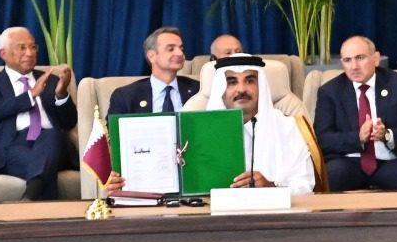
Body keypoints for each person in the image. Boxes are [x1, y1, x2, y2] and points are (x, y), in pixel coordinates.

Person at [127, 55, 315, 194]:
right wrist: (125, 183)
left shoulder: (288, 128)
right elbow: (165, 185)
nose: (241, 89)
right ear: (220, 90)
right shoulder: (193, 133)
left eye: (250, 80)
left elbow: (306, 186)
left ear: (262, 87)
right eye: (231, 82)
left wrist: (271, 187)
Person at [312, 35, 397, 191]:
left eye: (360, 58)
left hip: (390, 162)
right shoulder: (330, 91)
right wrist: (358, 137)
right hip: (348, 162)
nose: (354, 66)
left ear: (376, 58)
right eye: (347, 60)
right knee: (330, 177)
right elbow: (323, 138)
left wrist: (386, 135)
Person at [0, 26, 77, 200]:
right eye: (22, 48)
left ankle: (28, 200)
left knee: (51, 135)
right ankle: (34, 196)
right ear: (3, 53)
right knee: (43, 165)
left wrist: (61, 95)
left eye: (33, 47)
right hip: (10, 147)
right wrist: (30, 96)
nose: (29, 53)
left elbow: (69, 123)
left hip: (53, 144)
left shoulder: (51, 80)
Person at [107, 26, 199, 117]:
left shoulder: (199, 90)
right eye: (171, 49)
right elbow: (112, 130)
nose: (180, 53)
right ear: (152, 56)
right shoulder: (125, 96)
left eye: (181, 48)